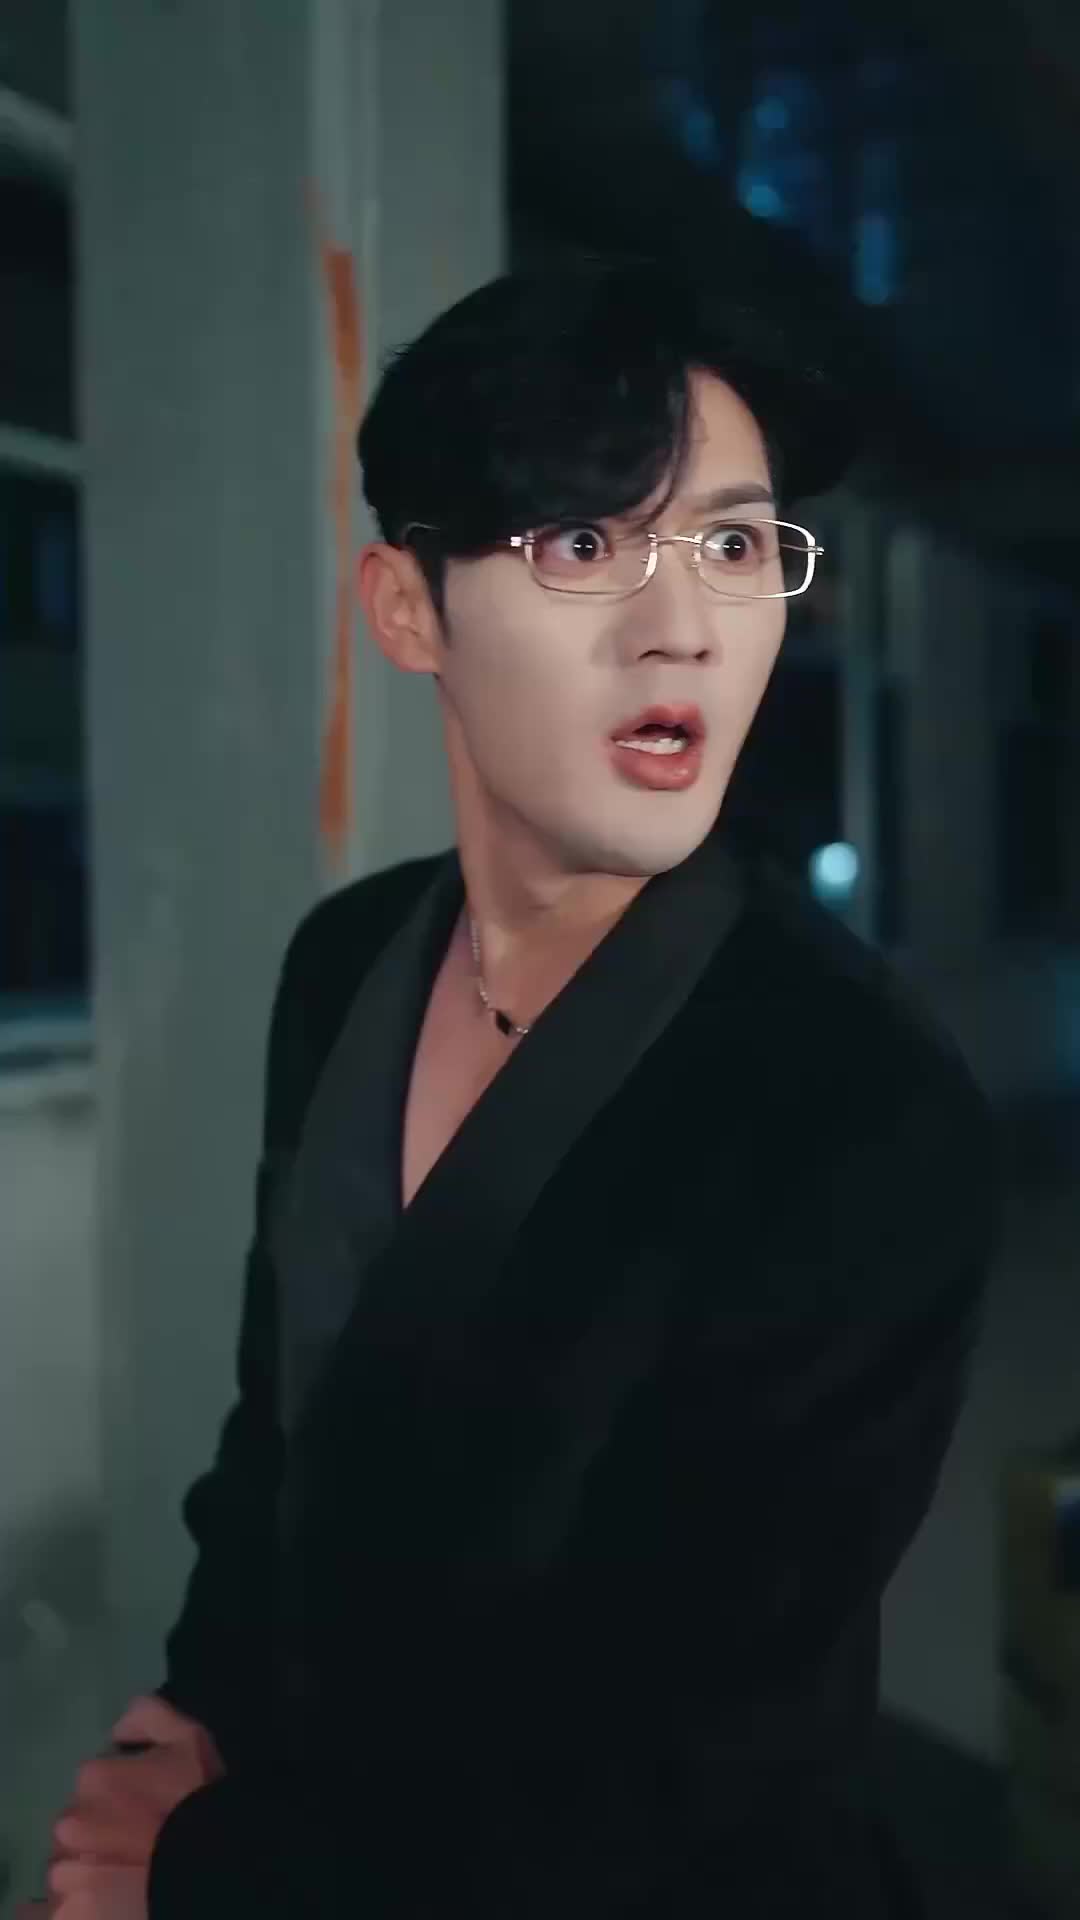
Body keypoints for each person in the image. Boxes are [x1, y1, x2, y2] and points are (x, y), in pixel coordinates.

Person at [32, 258, 998, 1919]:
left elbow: (689, 1757)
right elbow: (280, 1444)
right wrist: (177, 1736)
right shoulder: (348, 965)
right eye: (582, 544)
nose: (681, 626)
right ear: (409, 609)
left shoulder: (858, 1107)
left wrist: (203, 1870)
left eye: (734, 547)